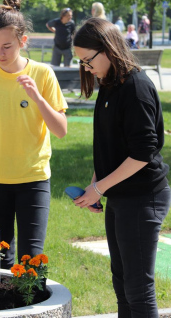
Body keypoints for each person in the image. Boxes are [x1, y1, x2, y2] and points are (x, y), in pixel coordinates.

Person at [0, 0, 68, 269]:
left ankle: (31, 311)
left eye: (7, 46)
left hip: (34, 177)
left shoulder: (43, 74)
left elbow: (61, 130)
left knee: (32, 261)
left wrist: (38, 98)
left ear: (23, 41)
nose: (0, 53)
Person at [73, 17, 170, 318]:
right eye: (82, 63)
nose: (86, 69)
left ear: (107, 49)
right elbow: (108, 145)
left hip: (143, 197)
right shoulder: (110, 84)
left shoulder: (136, 87)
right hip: (120, 197)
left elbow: (142, 152)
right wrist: (95, 186)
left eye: (88, 61)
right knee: (123, 284)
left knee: (138, 290)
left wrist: (100, 187)